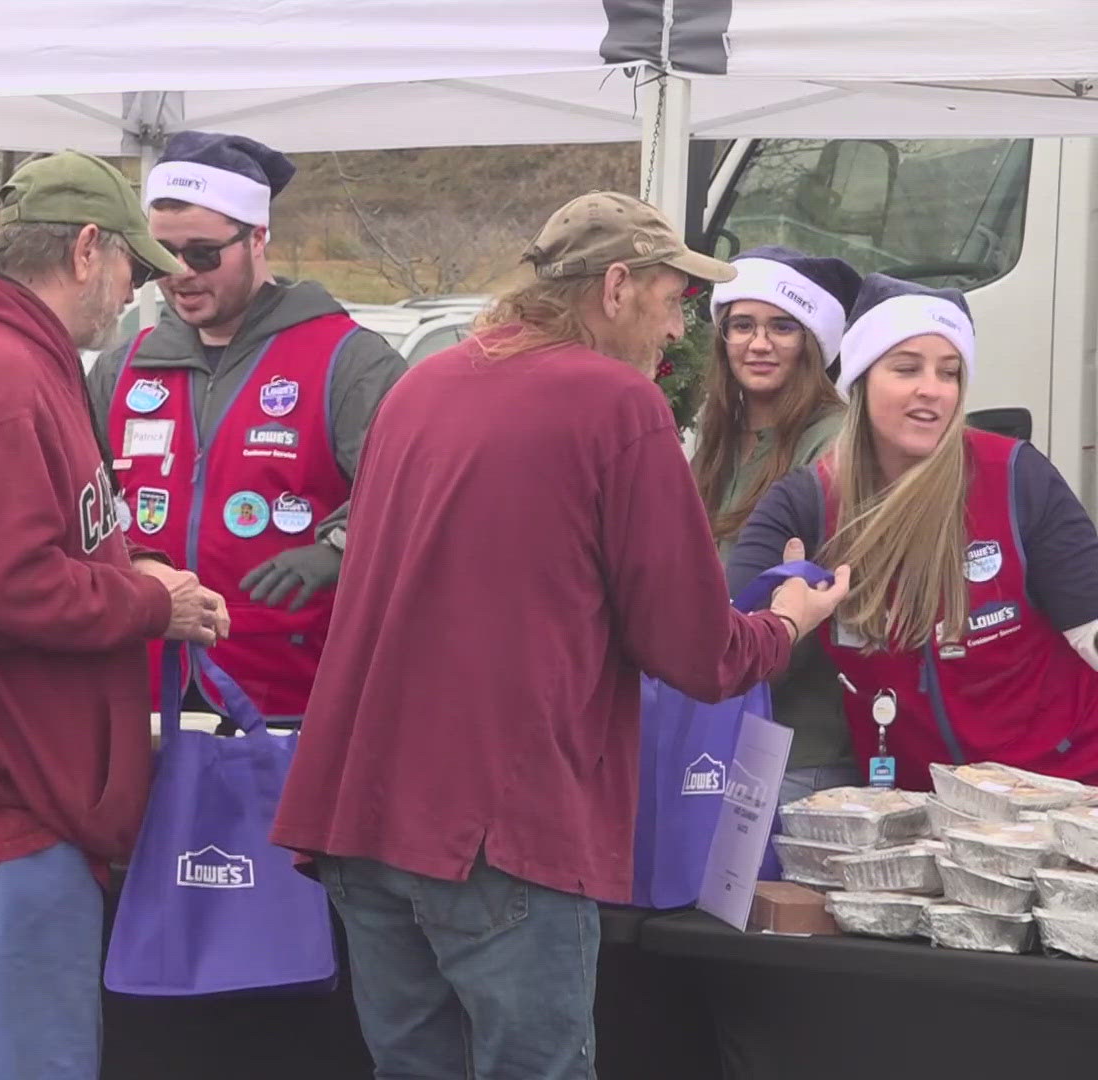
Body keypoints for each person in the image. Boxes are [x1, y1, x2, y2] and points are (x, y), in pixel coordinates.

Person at [270, 192, 849, 1080]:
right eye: (671, 303)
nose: (676, 332)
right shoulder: (615, 401)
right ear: (617, 286)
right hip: (499, 826)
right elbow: (693, 649)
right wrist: (785, 621)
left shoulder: (427, 381)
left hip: (361, 811)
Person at [0, 151, 227, 1080]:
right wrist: (151, 599)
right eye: (132, 268)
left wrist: (126, 565)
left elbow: (20, 554)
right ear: (83, 249)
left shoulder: (7, 360)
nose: (134, 294)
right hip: (16, 780)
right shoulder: (1, 373)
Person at [729, 275, 1098, 789]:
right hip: (914, 809)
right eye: (906, 368)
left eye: (950, 373)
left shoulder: (1014, 475)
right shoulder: (807, 502)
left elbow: (1091, 629)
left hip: (1061, 787)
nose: (932, 388)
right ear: (860, 379)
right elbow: (724, 647)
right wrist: (788, 622)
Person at [88, 131, 406, 722]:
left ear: (258, 238)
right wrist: (132, 556)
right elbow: (80, 505)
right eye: (160, 255)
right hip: (145, 693)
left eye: (204, 253)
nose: (180, 273)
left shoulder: (349, 360)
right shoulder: (121, 368)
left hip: (293, 696)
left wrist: (339, 545)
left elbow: (414, 491)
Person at [693, 246, 865, 801]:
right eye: (742, 325)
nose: (758, 343)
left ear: (812, 344)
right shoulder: (716, 439)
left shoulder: (834, 442)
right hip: (715, 720)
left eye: (782, 327)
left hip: (798, 745)